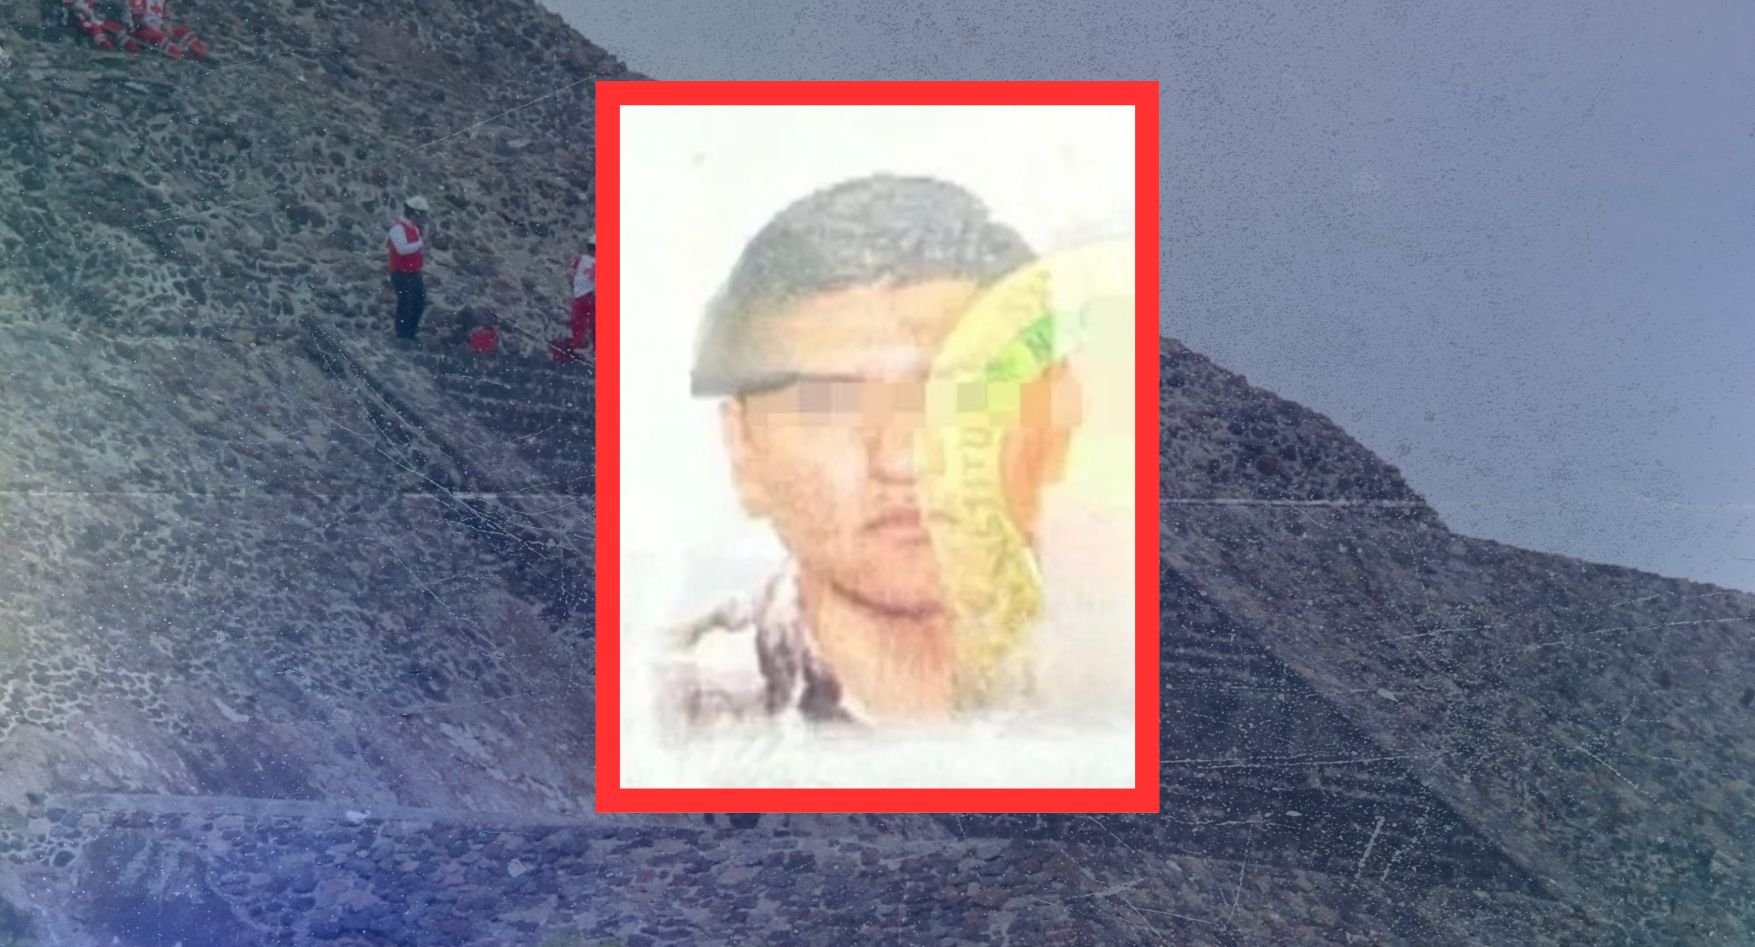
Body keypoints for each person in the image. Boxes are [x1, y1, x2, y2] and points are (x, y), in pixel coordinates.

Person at [654, 174, 1084, 736]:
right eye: (831, 404)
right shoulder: (644, 718)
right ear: (743, 448)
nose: (905, 460)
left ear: (1055, 423)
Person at [386, 196, 430, 342]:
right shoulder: (397, 228)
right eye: (422, 215)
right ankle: (402, 335)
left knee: (419, 302)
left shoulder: (414, 229)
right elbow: (402, 249)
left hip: (414, 272)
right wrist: (421, 244)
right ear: (414, 214)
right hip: (401, 273)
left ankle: (410, 333)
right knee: (406, 304)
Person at [552, 236, 596, 362]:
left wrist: (574, 284)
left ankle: (579, 347)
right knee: (592, 323)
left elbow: (570, 274)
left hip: (581, 295)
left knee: (579, 322)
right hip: (592, 297)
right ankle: (591, 348)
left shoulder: (580, 259)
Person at [121, 0, 207, 59]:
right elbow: (137, 20)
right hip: (142, 30)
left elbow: (165, 18)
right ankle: (178, 55)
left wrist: (167, 29)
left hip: (158, 29)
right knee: (159, 37)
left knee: (182, 31)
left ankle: (199, 51)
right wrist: (158, 30)